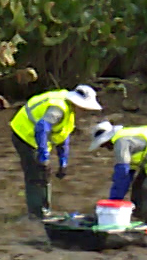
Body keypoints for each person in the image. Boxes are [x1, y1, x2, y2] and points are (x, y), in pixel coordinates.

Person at [9, 84, 101, 220]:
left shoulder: (69, 112)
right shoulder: (58, 109)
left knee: (44, 173)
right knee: (37, 173)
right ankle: (36, 214)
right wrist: (43, 155)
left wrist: (63, 162)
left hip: (36, 136)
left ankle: (44, 209)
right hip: (24, 133)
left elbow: (63, 137)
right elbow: (41, 127)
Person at [89, 121, 147, 227]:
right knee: (137, 189)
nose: (106, 148)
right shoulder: (126, 139)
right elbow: (126, 176)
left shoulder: (121, 142)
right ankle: (140, 220)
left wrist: (112, 204)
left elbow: (122, 173)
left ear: (107, 140)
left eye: (103, 145)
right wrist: (113, 202)